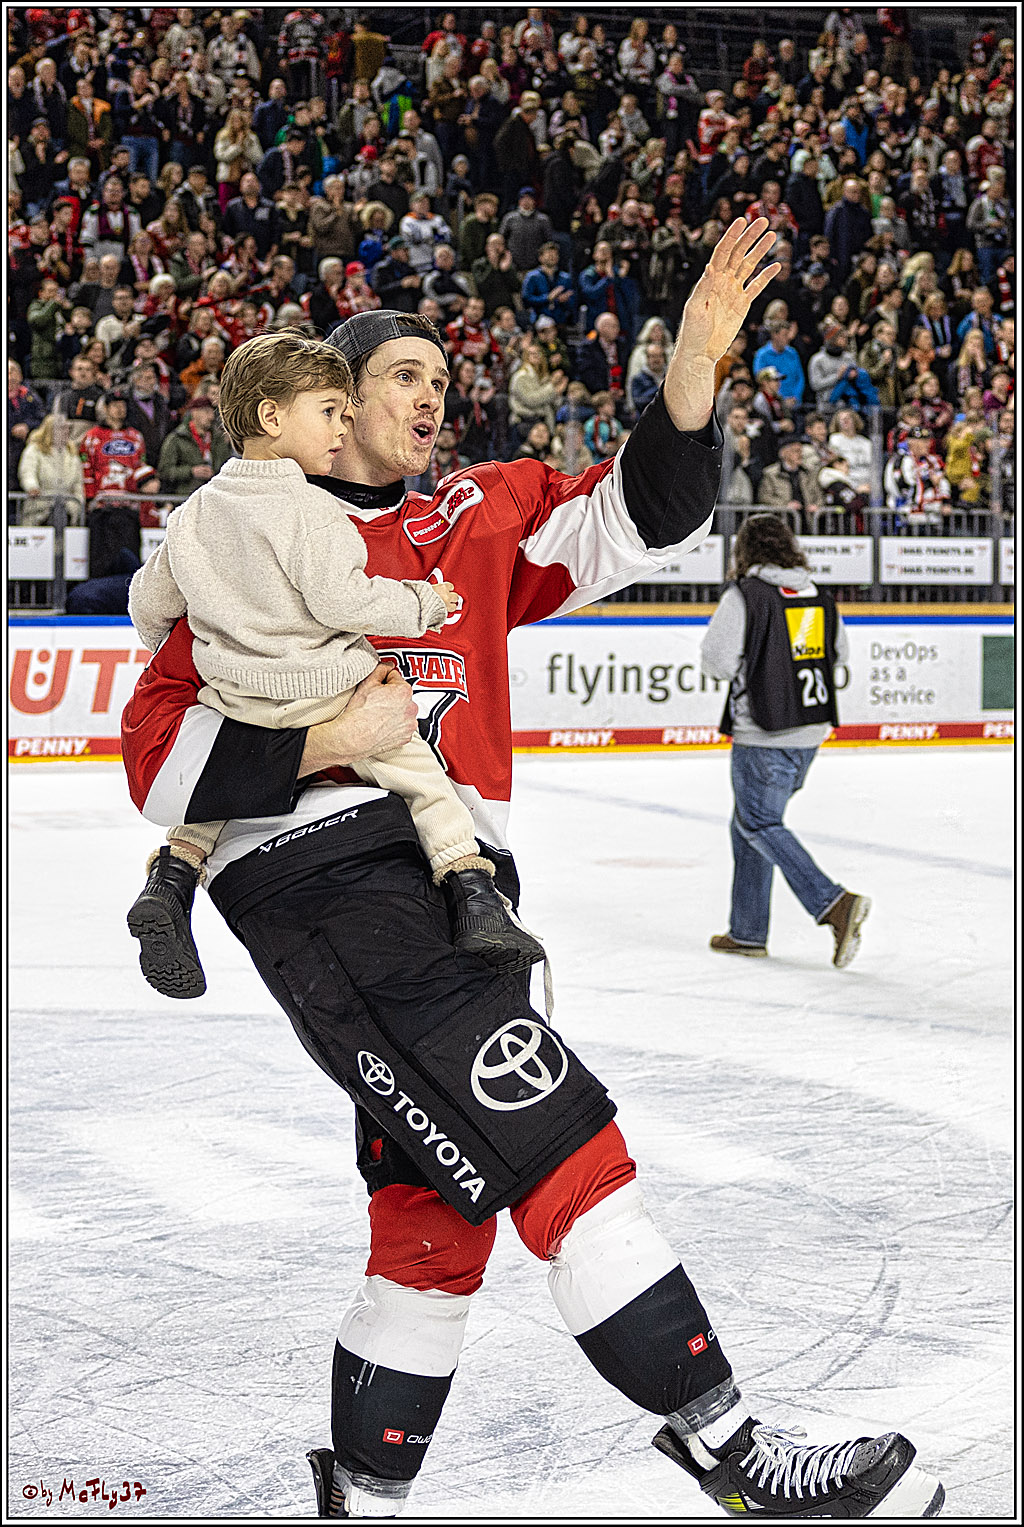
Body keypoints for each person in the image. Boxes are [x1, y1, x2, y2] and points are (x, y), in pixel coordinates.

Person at [120, 224, 942, 1521]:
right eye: (399, 372)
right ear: (329, 410)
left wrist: (689, 389)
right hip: (332, 880)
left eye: (438, 372)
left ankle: (364, 1491)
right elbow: (154, 754)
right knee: (563, 1138)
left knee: (435, 1220)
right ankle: (726, 1440)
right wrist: (336, 737)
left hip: (458, 900)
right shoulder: (251, 536)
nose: (430, 390)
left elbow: (637, 517)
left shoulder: (477, 516)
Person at [127, 330, 541, 993]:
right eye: (329, 413)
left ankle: (171, 883)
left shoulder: (194, 513)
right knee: (421, 774)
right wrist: (422, 603)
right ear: (271, 417)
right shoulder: (311, 510)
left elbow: (150, 602)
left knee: (218, 797)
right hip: (325, 689)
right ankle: (474, 893)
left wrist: (204, 652)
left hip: (236, 698)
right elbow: (344, 598)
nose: (342, 428)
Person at [701, 513, 870, 967]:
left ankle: (833, 903)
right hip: (811, 731)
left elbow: (717, 663)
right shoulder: (816, 593)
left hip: (763, 733)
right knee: (749, 826)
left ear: (746, 551)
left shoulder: (747, 595)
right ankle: (748, 930)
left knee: (758, 823)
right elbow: (838, 655)